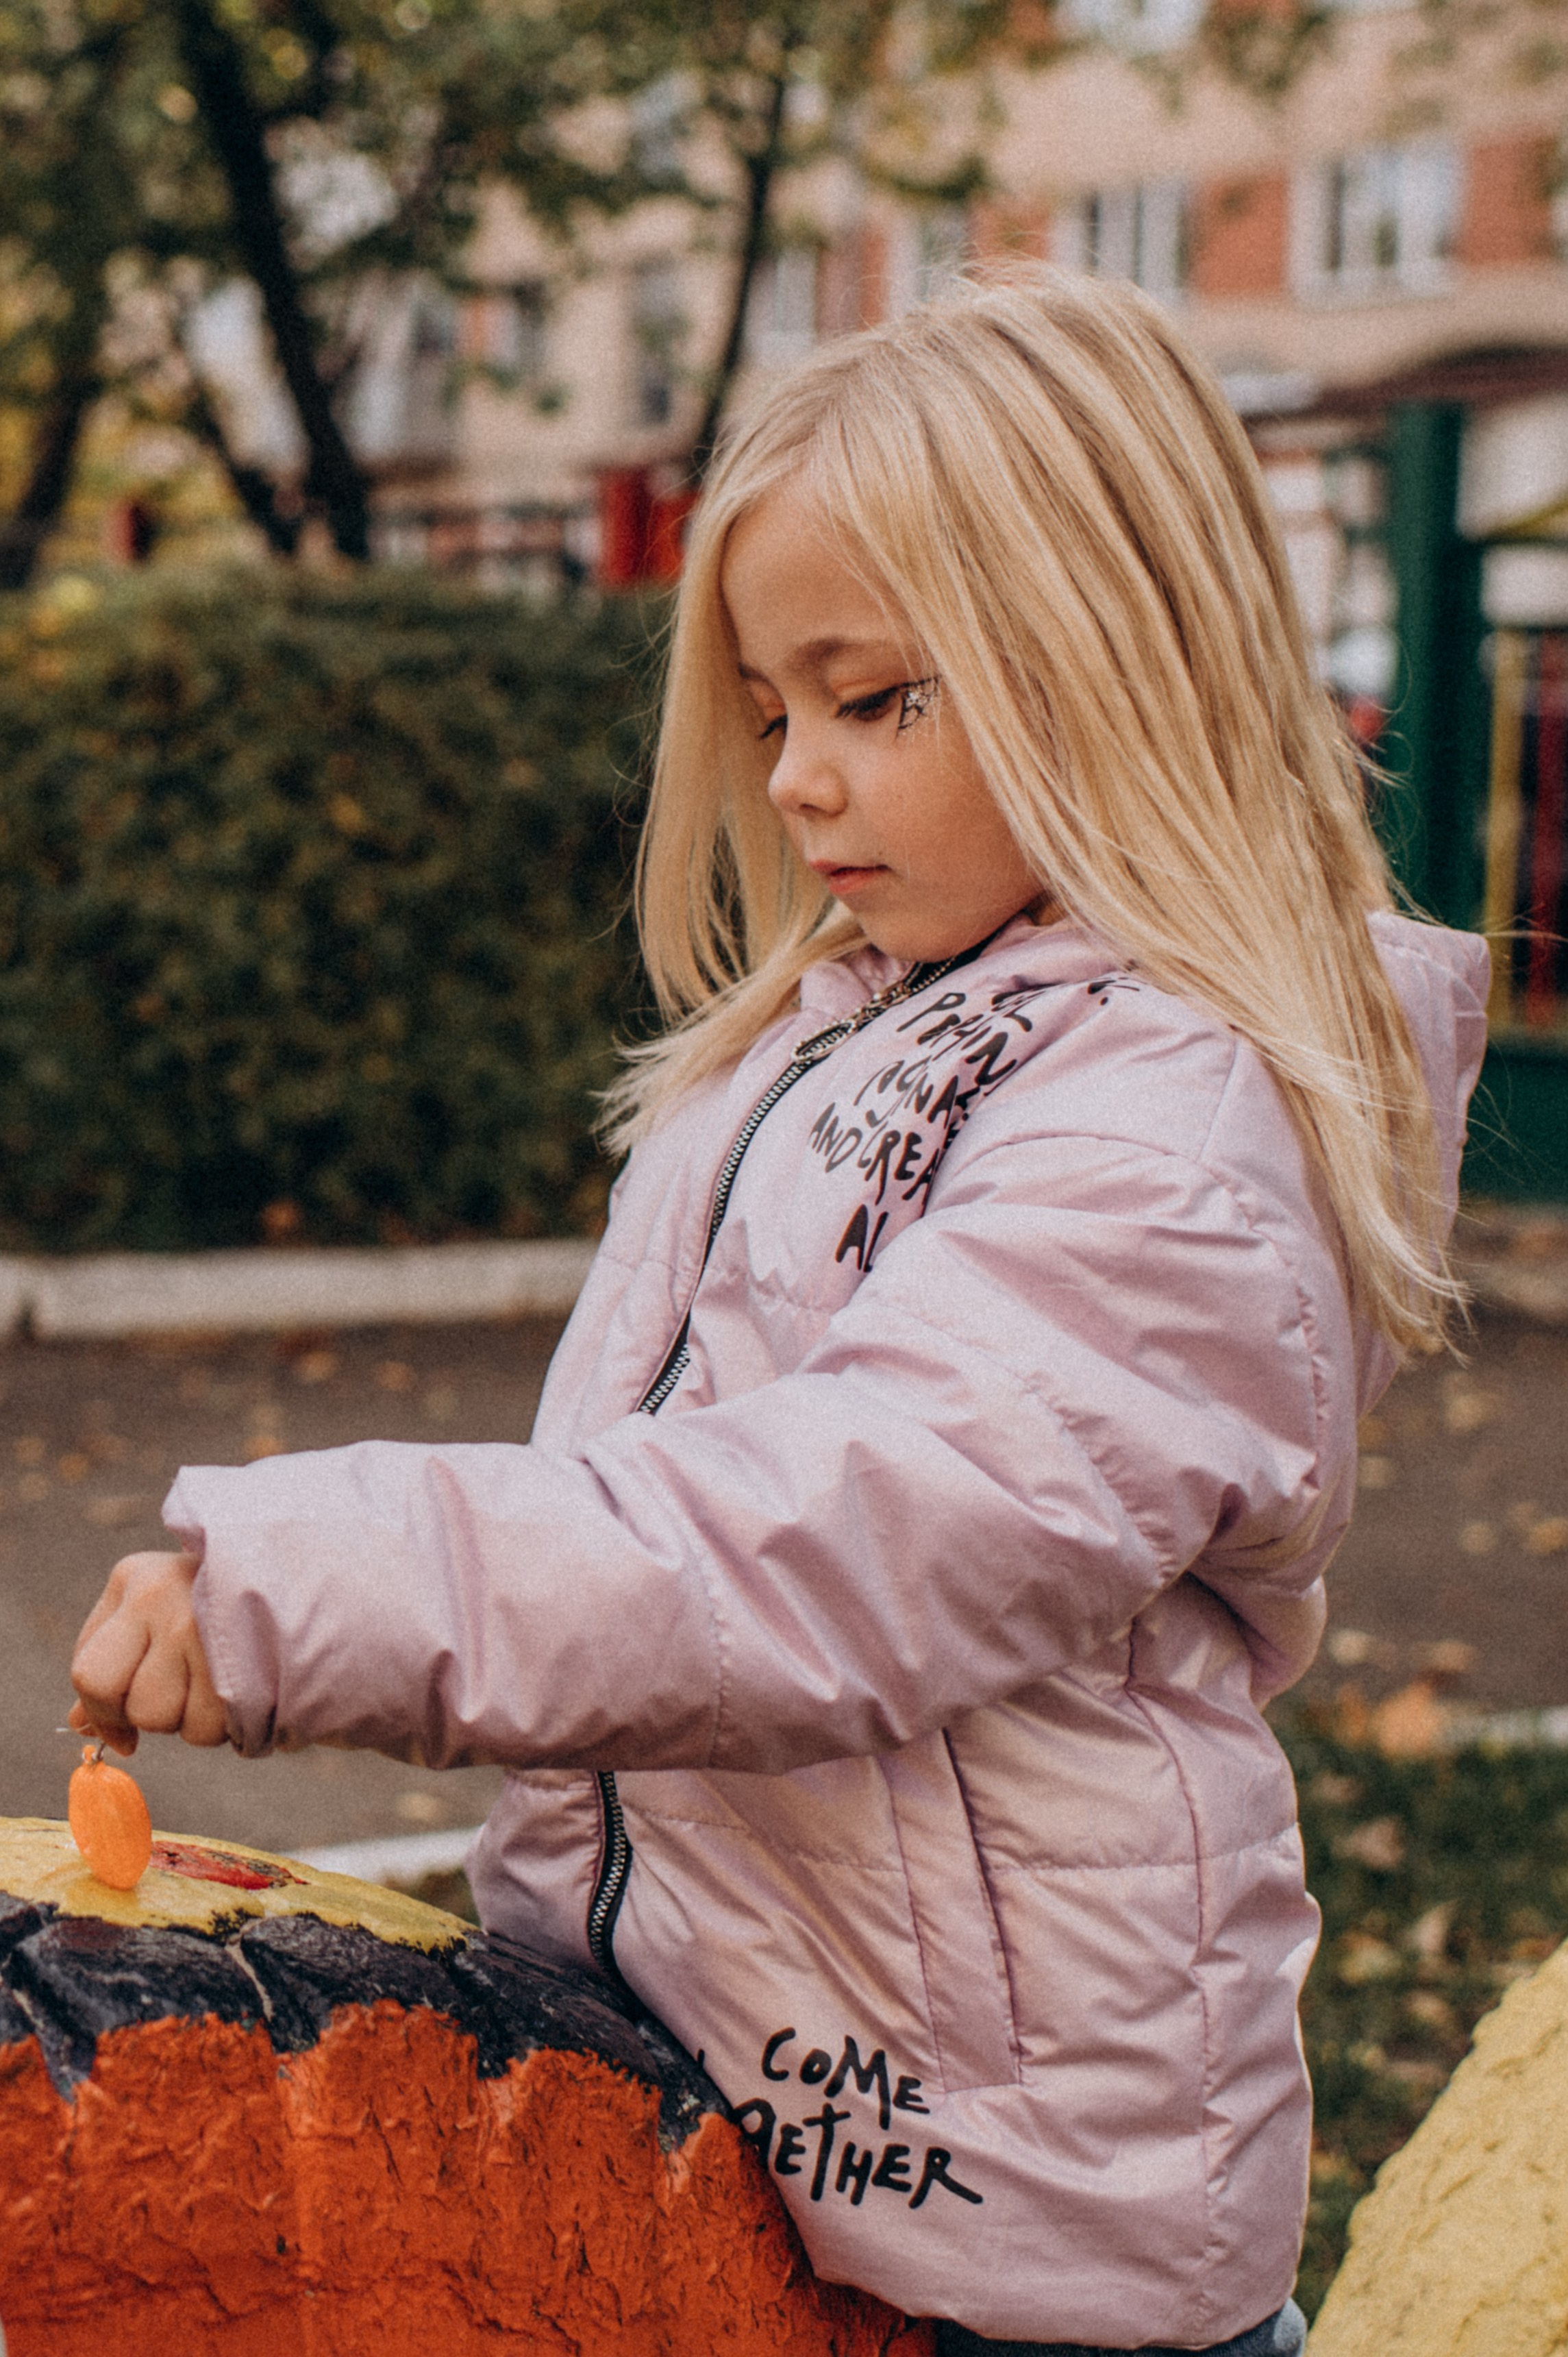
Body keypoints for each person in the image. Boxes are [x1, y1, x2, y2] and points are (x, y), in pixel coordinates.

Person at [70, 268, 1490, 2355]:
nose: (803, 782)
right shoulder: (839, 1031)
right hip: (723, 2090)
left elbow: (826, 1539)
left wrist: (339, 1577)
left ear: (1114, 661)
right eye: (769, 716)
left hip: (1003, 2236)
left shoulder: (1167, 1131)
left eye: (877, 699)